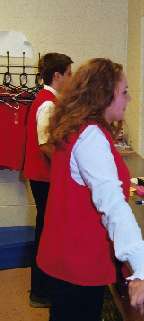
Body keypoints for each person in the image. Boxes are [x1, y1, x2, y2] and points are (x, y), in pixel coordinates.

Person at [36, 58, 144, 321]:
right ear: (104, 96)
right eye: (124, 92)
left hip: (65, 253)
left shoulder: (76, 128)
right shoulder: (90, 136)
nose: (129, 99)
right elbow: (113, 205)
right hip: (79, 260)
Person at [23, 53, 73, 307]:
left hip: (44, 177)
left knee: (47, 232)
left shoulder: (50, 101)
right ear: (57, 75)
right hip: (45, 178)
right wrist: (69, 167)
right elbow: (45, 145)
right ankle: (40, 292)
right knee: (46, 234)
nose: (71, 78)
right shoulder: (48, 104)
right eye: (69, 74)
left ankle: (43, 289)